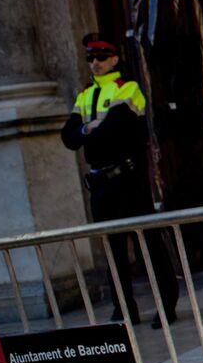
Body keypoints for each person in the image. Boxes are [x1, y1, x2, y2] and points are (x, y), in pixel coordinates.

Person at [61, 33, 179, 329]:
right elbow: (68, 137)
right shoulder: (85, 95)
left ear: (114, 59)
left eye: (101, 57)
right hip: (100, 184)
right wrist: (91, 128)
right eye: (90, 58)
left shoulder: (128, 88)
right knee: (113, 250)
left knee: (147, 243)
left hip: (128, 179)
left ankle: (167, 304)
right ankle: (124, 309)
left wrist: (87, 131)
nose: (95, 63)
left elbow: (115, 130)